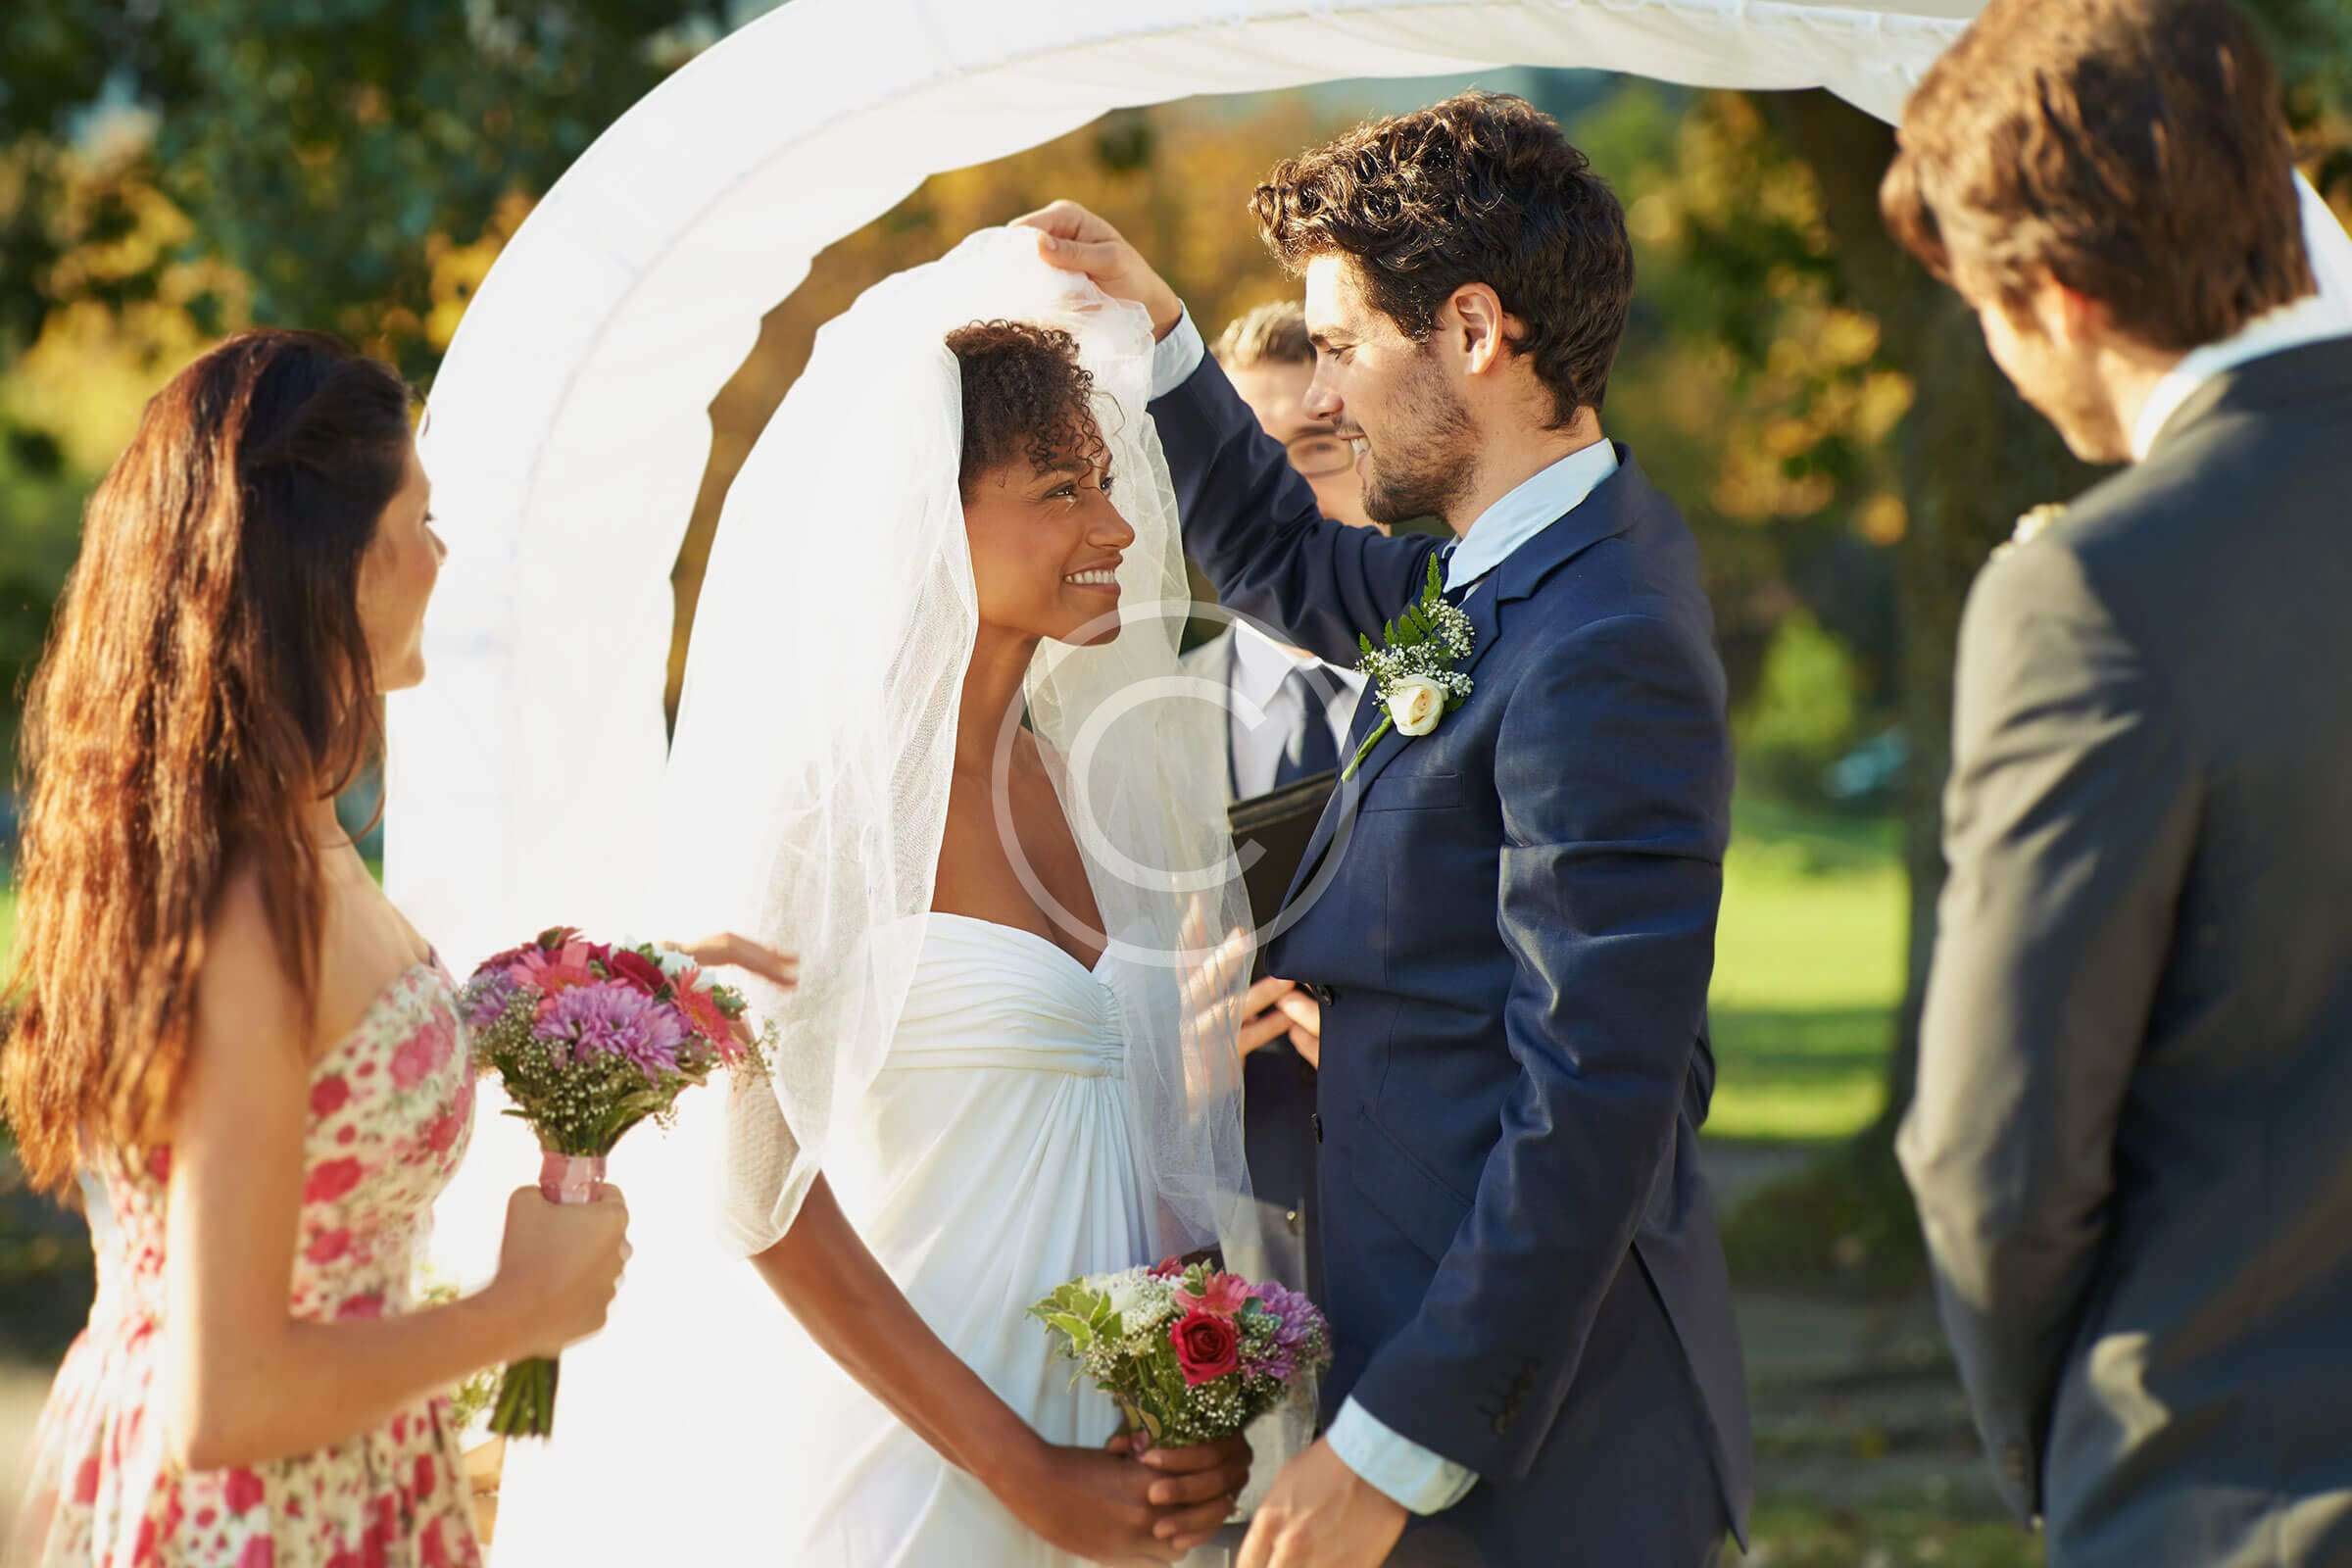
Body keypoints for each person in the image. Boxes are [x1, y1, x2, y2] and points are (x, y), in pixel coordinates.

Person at [1022, 88, 1752, 1566]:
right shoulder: (1503, 580)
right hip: (1436, 1378)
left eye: (1344, 346)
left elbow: (1595, 1097)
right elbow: (1276, 551)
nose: (1325, 399)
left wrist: (1390, 1446)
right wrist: (1165, 332)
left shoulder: (1601, 639)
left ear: (1473, 330)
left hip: (1543, 1456)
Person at [484, 230, 1255, 1566]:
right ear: (928, 514)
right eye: (1061, 489)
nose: (1118, 526)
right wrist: (1022, 1469)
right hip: (907, 1473)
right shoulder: (821, 804)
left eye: (1106, 482)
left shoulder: (1089, 786)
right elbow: (753, 1184)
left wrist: (1199, 1408)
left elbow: (1155, 1141)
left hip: (1105, 1478)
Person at [0, 331, 646, 1568]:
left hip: (338, 1481)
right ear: (335, 559)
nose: (442, 557)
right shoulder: (248, 898)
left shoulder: (293, 830)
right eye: (422, 518)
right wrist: (520, 1311)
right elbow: (227, 1401)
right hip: (251, 1518)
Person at [1881, 1, 2352, 1562]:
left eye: (1982, 311)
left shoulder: (2099, 590)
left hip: (2245, 1483)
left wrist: (2054, 1446)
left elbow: (1998, 1153)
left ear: (2062, 298)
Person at [1183, 299, 1386, 1300]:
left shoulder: (1496, 686)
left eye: (1318, 447)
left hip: (1439, 1240)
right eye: (1252, 463)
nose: (1283, 494)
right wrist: (1170, 1069)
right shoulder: (1126, 731)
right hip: (1224, 1258)